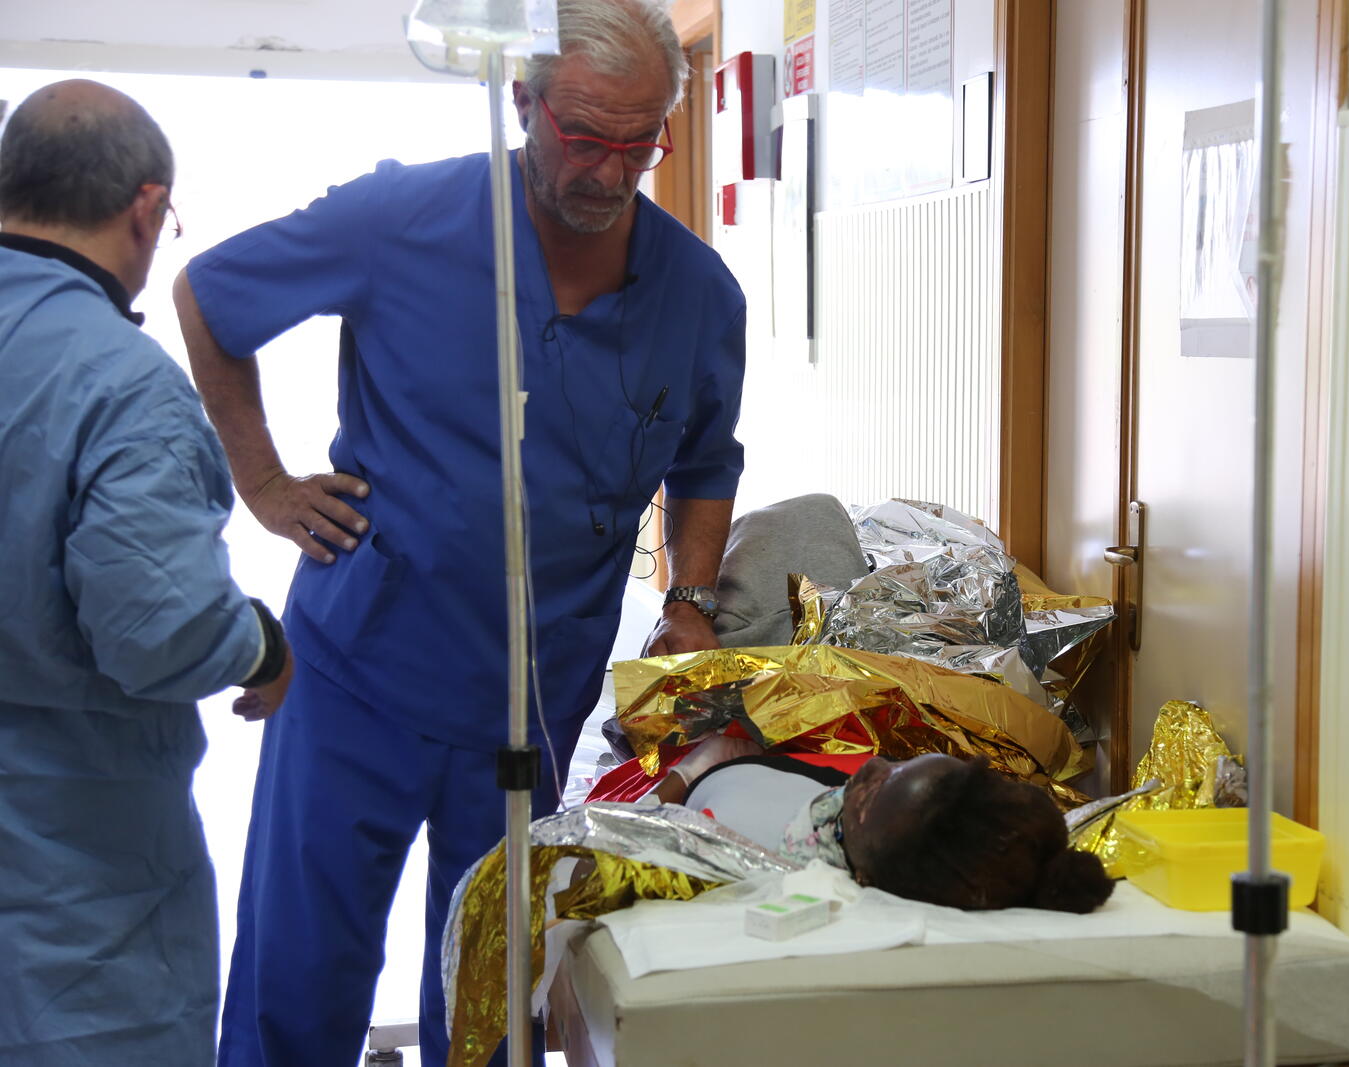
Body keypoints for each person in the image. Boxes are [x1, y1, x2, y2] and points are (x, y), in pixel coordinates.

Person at [172, 0, 747, 1062]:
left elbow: (706, 463)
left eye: (640, 142)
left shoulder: (697, 294)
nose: (611, 171)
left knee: (488, 992)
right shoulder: (404, 220)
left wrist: (690, 599)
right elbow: (209, 295)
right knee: (299, 973)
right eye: (583, 135)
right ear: (523, 101)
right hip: (359, 669)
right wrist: (262, 482)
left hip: (532, 695)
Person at [0, 80, 294, 1066]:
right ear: (146, 208)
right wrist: (262, 642)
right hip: (70, 887)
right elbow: (155, 630)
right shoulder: (121, 387)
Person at [653, 739, 1115, 913]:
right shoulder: (880, 820)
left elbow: (614, 827)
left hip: (698, 784)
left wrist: (686, 775)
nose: (874, 766)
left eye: (869, 795)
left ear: (866, 879)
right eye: (901, 762)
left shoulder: (752, 851)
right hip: (770, 773)